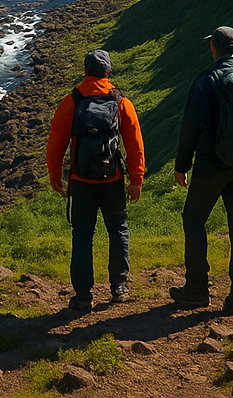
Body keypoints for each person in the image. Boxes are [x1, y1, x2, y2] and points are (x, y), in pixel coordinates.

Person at [171, 26, 233, 314]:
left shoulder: (206, 81)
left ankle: (196, 290)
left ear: (213, 48)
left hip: (212, 165)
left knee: (193, 219)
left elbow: (190, 128)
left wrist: (181, 166)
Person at [46, 48, 145, 312]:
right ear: (108, 72)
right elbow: (134, 144)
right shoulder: (121, 103)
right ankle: (119, 287)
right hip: (113, 180)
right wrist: (136, 179)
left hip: (81, 182)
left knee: (82, 236)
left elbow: (56, 143)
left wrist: (55, 174)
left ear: (85, 71)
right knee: (118, 230)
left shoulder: (71, 102)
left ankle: (82, 296)